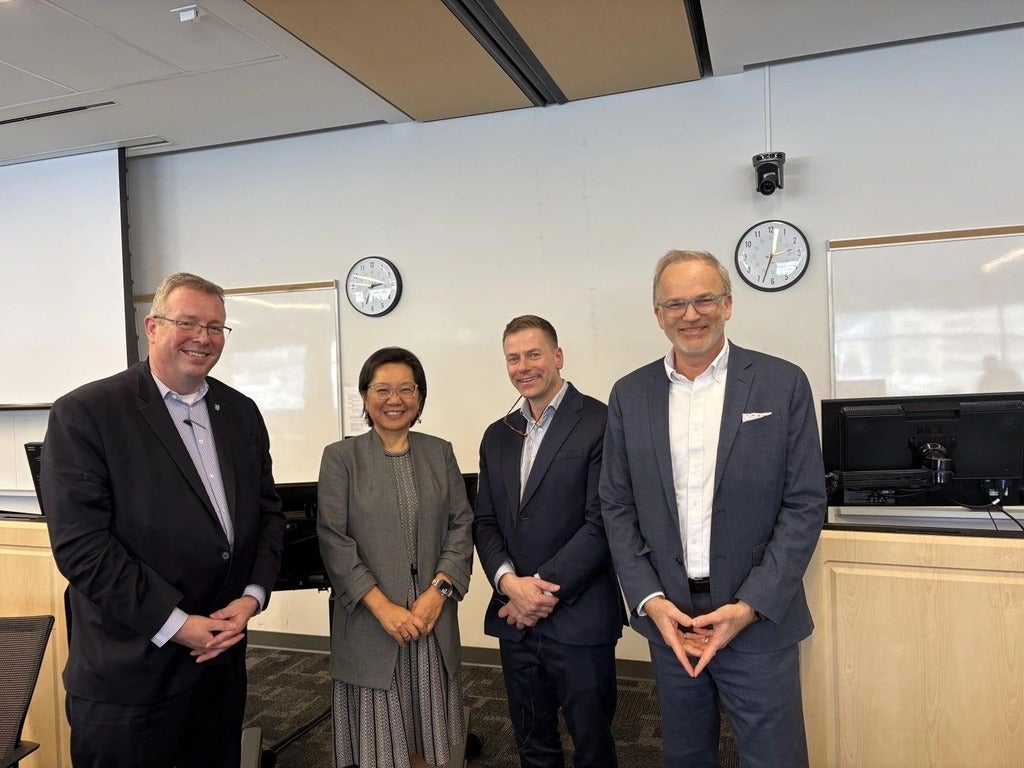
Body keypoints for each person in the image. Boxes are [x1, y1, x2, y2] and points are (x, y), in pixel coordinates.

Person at [41, 272, 286, 768]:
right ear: (152, 327)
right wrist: (175, 624)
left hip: (219, 665)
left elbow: (268, 515)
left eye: (216, 326)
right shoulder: (87, 413)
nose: (203, 337)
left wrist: (251, 597)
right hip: (131, 674)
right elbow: (83, 548)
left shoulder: (241, 412)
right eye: (188, 322)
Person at [600, 250, 826, 768]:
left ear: (728, 304)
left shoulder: (781, 383)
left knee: (775, 758)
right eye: (675, 303)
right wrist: (650, 600)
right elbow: (615, 504)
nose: (690, 314)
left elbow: (805, 503)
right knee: (685, 755)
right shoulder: (629, 395)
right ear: (658, 314)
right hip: (671, 619)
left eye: (704, 299)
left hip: (759, 619)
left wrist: (750, 604)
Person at [474, 315, 627, 768]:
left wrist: (536, 589)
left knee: (593, 745)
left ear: (557, 357)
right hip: (514, 619)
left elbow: (602, 523)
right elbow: (485, 521)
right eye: (513, 358)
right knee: (531, 744)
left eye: (534, 354)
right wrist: (509, 584)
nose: (524, 366)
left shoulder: (601, 421)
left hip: (579, 617)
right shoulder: (497, 434)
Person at [317, 347, 473, 768]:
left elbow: (462, 525)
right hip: (372, 623)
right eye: (382, 389)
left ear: (420, 397)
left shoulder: (439, 452)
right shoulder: (341, 458)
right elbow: (334, 540)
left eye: (407, 389)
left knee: (428, 740)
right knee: (381, 748)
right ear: (365, 397)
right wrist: (383, 607)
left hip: (429, 622)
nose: (395, 399)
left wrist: (438, 593)